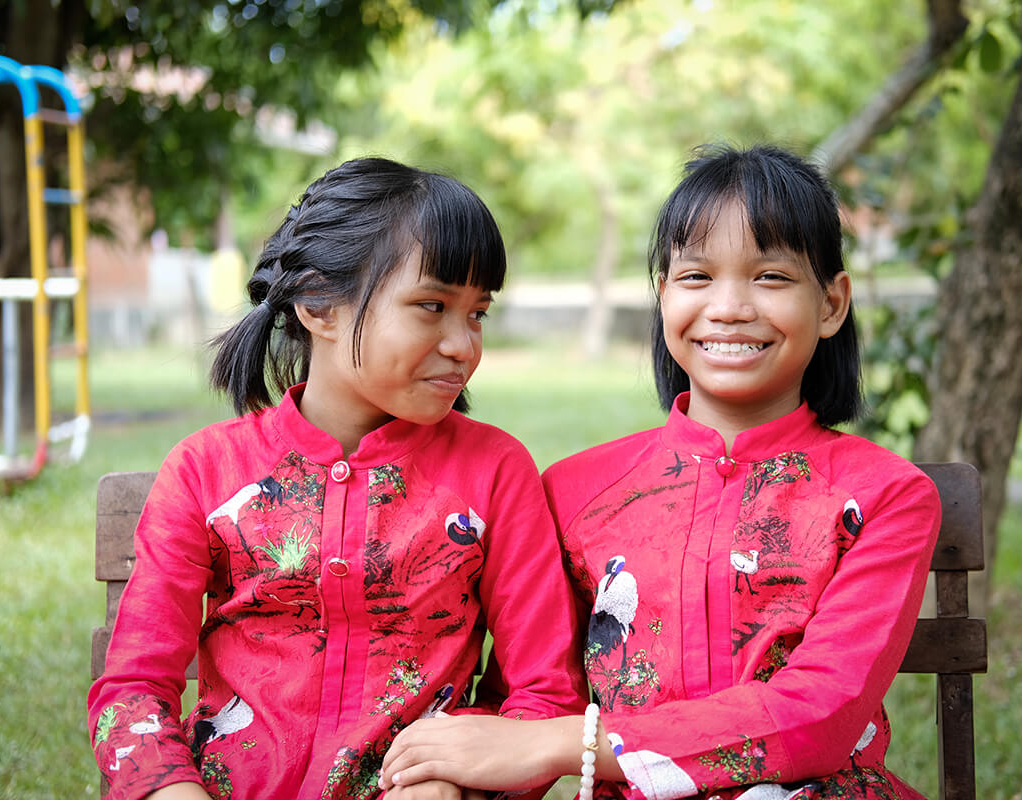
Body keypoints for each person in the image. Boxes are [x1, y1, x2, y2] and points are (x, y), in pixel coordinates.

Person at [378, 144, 942, 800]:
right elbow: (523, 702)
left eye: (771, 277)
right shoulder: (573, 494)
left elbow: (823, 713)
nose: (729, 307)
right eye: (697, 276)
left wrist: (570, 743)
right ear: (663, 295)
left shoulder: (886, 496)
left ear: (832, 303)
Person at [87, 157, 587, 800]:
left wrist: (460, 783)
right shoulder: (206, 471)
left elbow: (544, 691)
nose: (464, 344)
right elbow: (132, 690)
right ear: (318, 305)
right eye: (431, 306)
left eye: (477, 313)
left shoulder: (494, 473)